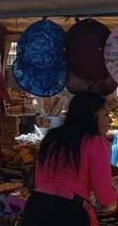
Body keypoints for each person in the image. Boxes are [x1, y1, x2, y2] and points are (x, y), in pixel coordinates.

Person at [21, 93, 117, 226]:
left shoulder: (51, 138)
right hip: (69, 213)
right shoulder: (95, 142)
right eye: (105, 115)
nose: (110, 121)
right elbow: (104, 195)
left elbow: (39, 180)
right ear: (92, 117)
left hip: (35, 207)